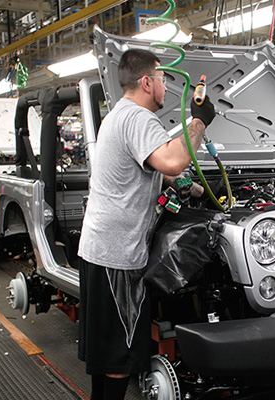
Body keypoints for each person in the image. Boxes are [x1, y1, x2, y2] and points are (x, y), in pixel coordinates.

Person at [77, 48, 215, 400]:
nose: (167, 87)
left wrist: (187, 186)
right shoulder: (139, 119)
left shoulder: (118, 116)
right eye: (163, 79)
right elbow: (171, 160)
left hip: (101, 250)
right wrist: (198, 120)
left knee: (108, 352)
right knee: (119, 355)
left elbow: (143, 172)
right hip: (117, 256)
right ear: (146, 81)